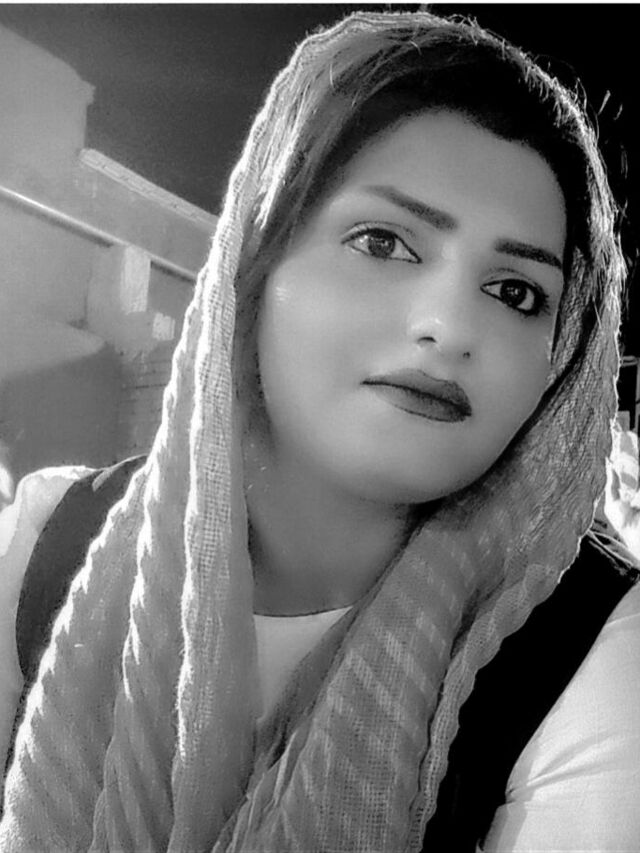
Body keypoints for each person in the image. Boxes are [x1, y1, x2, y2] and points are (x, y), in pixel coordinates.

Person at [0, 9, 638, 851]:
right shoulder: (48, 543)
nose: (451, 325)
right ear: (256, 261)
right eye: (384, 241)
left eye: (516, 292)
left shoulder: (592, 648)